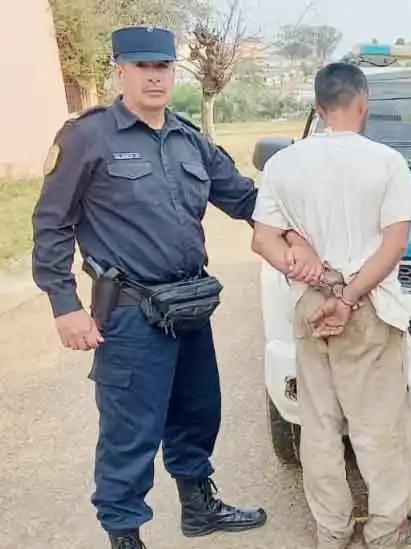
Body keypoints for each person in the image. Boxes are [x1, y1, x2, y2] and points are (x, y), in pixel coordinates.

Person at [30, 26, 321, 549]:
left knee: (197, 411)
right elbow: (52, 223)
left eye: (162, 66)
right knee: (130, 430)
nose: (154, 77)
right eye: (142, 67)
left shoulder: (189, 138)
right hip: (130, 313)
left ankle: (198, 507)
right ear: (120, 71)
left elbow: (243, 198)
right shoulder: (88, 137)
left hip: (188, 305)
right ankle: (124, 534)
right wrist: (64, 305)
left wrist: (293, 232)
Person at [249, 62, 411, 549]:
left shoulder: (284, 164)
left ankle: (331, 530)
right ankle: (386, 529)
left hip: (311, 307)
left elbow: (263, 240)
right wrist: (347, 297)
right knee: (380, 426)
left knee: (320, 425)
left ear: (318, 107)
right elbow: (394, 245)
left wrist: (309, 274)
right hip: (367, 306)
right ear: (363, 103)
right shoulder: (386, 162)